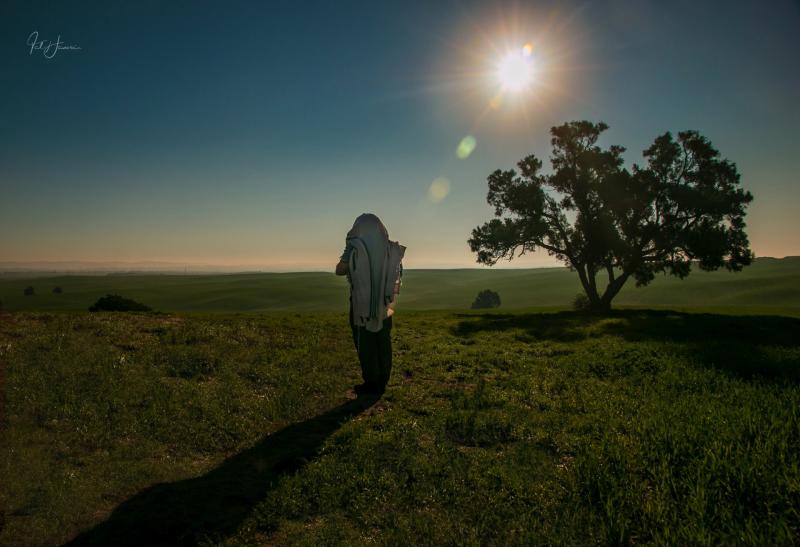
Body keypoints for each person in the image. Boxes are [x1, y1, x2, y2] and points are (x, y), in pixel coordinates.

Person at [335, 213, 405, 395]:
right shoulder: (391, 248)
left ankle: (371, 382)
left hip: (360, 302)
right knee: (383, 340)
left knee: (365, 341)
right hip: (385, 303)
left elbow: (340, 270)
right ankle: (382, 380)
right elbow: (398, 271)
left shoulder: (354, 246)